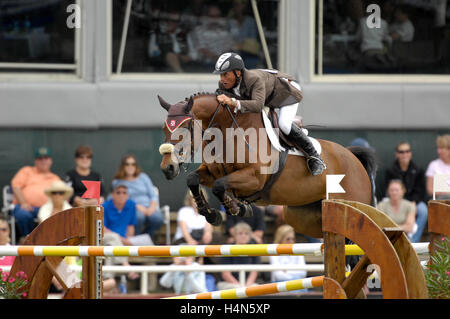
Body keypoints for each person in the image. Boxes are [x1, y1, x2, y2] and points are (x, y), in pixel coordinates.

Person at [213, 52, 326, 176]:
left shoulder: (253, 79)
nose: (222, 79)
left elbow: (257, 105)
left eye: (225, 74)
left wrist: (233, 102)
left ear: (238, 73)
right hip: (268, 97)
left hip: (287, 93)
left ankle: (315, 157)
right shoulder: (224, 84)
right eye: (220, 75)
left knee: (284, 124)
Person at [11, 147, 61, 238]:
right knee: (23, 215)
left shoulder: (55, 178)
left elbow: (61, 195)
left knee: (55, 216)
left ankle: (46, 241)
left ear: (50, 161)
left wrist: (56, 207)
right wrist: (24, 203)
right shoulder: (26, 171)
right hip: (26, 207)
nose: (43, 161)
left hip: (46, 208)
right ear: (35, 161)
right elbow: (16, 186)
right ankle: (27, 238)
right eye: (40, 158)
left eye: (46, 158)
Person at [112, 154, 163, 243]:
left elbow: (153, 194)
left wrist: (151, 208)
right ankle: (135, 242)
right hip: (132, 208)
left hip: (149, 207)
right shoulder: (118, 181)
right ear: (123, 166)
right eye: (127, 164)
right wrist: (138, 207)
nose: (130, 166)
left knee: (158, 218)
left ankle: (146, 239)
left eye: (133, 164)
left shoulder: (143, 177)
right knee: (139, 217)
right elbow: (119, 199)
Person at [385, 141, 427, 243]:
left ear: (410, 153)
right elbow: (390, 189)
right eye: (401, 152)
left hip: (414, 201)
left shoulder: (418, 169)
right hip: (396, 200)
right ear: (397, 154)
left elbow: (420, 190)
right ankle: (393, 241)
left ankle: (412, 242)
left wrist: (413, 202)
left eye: (407, 151)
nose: (404, 154)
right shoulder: (390, 170)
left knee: (423, 211)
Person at [102, 183, 139, 282]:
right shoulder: (104, 206)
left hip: (115, 244)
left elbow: (131, 226)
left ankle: (109, 281)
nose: (121, 195)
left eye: (124, 193)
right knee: (113, 238)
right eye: (118, 192)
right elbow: (102, 228)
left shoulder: (131, 205)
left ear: (127, 195)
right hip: (105, 239)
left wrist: (128, 240)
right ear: (113, 194)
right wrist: (122, 240)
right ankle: (126, 266)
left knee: (110, 249)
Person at [189, 5, 235, 71]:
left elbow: (230, 47)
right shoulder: (199, 30)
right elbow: (201, 48)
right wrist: (218, 58)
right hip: (205, 63)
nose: (215, 19)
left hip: (225, 63)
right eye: (212, 16)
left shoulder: (225, 30)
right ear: (206, 17)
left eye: (217, 16)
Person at [217, 222, 260, 290]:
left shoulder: (254, 249)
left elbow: (254, 272)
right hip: (228, 283)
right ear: (234, 235)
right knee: (236, 289)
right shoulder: (227, 249)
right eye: (240, 233)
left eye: (246, 233)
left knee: (257, 289)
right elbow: (225, 274)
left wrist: (246, 286)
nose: (243, 236)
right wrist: (241, 288)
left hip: (248, 284)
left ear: (250, 236)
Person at [270, 224, 308, 292]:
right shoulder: (273, 250)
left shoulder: (298, 249)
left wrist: (286, 271)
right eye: (288, 239)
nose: (291, 242)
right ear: (280, 240)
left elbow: (303, 273)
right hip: (279, 283)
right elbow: (278, 275)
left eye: (293, 239)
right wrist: (295, 271)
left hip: (297, 283)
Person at [425, 134, 450, 200]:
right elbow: (429, 190)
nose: (438, 151)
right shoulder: (433, 165)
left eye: (442, 148)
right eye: (438, 148)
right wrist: (443, 193)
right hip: (439, 200)